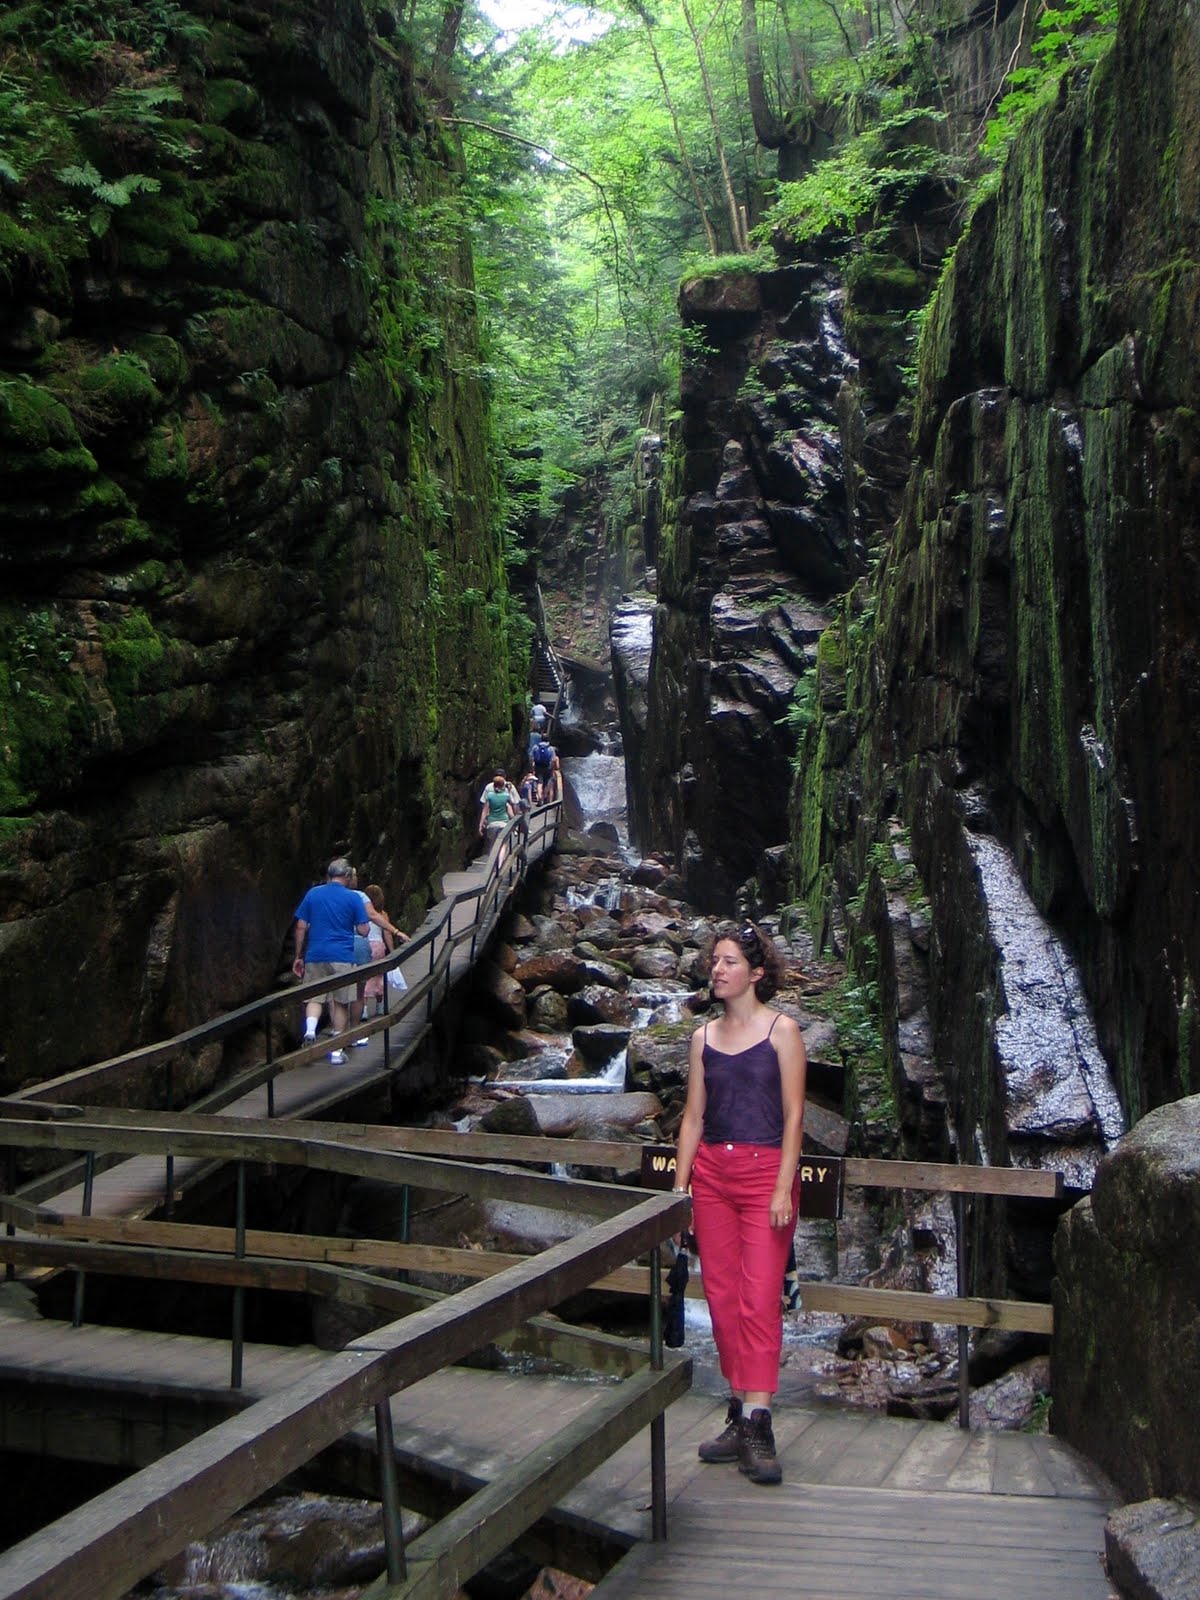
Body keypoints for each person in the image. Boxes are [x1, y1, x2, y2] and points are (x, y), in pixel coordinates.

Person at [671, 920, 807, 1485]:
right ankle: (738, 1407)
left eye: (728, 962)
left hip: (763, 1175)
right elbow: (693, 1117)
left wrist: (782, 1187)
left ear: (755, 973)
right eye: (715, 961)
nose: (717, 969)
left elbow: (796, 1116)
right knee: (723, 1299)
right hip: (713, 1178)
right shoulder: (702, 1038)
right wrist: (679, 1191)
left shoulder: (783, 1032)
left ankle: (759, 1422)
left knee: (758, 1299)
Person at [292, 858, 370, 1064]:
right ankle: (336, 1050)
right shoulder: (353, 898)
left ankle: (310, 1031)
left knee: (314, 997)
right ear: (346, 876)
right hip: (342, 956)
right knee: (340, 1001)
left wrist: (298, 956)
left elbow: (301, 926)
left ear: (329, 875)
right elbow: (364, 930)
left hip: (315, 954)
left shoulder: (313, 894)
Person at [478, 771, 515, 849]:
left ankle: (493, 859)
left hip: (491, 821)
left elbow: (484, 806)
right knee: (503, 844)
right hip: (504, 822)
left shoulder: (489, 792)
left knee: (492, 844)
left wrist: (482, 823)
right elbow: (513, 803)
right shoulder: (506, 792)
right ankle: (501, 861)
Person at [531, 736, 557, 802]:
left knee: (539, 782)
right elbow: (554, 760)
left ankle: (539, 797)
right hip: (547, 768)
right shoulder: (550, 748)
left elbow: (531, 758)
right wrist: (552, 769)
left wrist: (532, 768)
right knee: (547, 782)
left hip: (538, 767)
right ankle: (544, 796)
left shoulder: (535, 747)